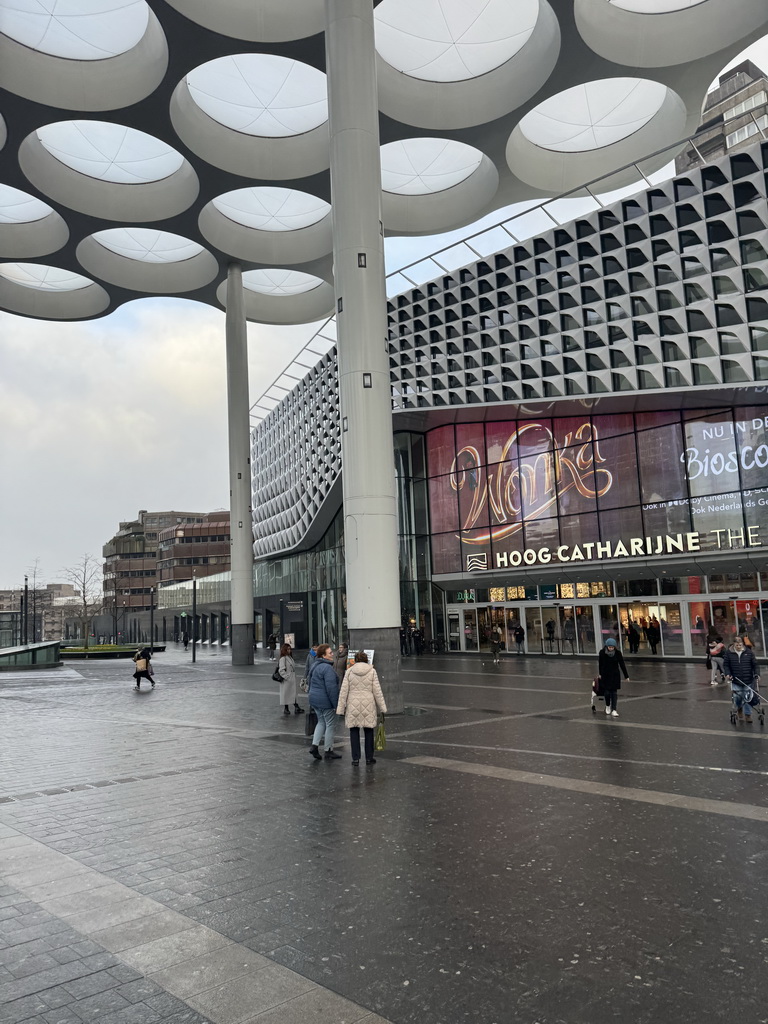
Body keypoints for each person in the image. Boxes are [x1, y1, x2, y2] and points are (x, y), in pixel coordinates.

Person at [336, 651, 387, 766]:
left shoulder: (349, 672)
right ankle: (369, 757)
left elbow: (344, 692)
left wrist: (340, 708)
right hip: (368, 704)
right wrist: (383, 707)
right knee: (369, 731)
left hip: (353, 704)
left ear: (355, 660)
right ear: (366, 660)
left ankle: (355, 758)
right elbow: (377, 691)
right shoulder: (372, 672)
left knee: (353, 731)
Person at [308, 644, 342, 760]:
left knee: (321, 722)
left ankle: (314, 745)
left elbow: (310, 681)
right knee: (330, 724)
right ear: (324, 655)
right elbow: (331, 689)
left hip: (315, 700)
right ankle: (328, 750)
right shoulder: (327, 668)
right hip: (325, 701)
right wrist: (336, 705)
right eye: (330, 653)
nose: (333, 654)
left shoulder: (315, 665)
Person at [723, 637, 760, 722]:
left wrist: (757, 674)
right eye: (737, 645)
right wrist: (727, 674)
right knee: (738, 698)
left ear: (742, 644)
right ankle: (739, 709)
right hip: (736, 679)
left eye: (740, 645)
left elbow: (755, 665)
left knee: (748, 698)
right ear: (733, 644)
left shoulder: (749, 653)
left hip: (748, 679)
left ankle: (748, 714)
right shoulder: (729, 653)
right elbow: (726, 665)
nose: (739, 646)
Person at [597, 637, 629, 717]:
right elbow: (600, 664)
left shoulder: (618, 653)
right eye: (609, 647)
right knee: (607, 692)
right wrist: (600, 674)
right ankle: (607, 706)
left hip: (615, 675)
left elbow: (622, 664)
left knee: (614, 693)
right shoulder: (602, 653)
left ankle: (614, 709)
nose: (611, 648)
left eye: (612, 647)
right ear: (606, 646)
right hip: (605, 675)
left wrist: (626, 676)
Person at [277, 642, 303, 716]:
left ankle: (296, 707)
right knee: (287, 694)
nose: (289, 650)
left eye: (290, 649)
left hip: (292, 678)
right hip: (287, 680)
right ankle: (287, 708)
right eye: (288, 649)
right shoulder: (283, 659)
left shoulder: (290, 657)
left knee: (293, 694)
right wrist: (287, 676)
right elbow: (281, 670)